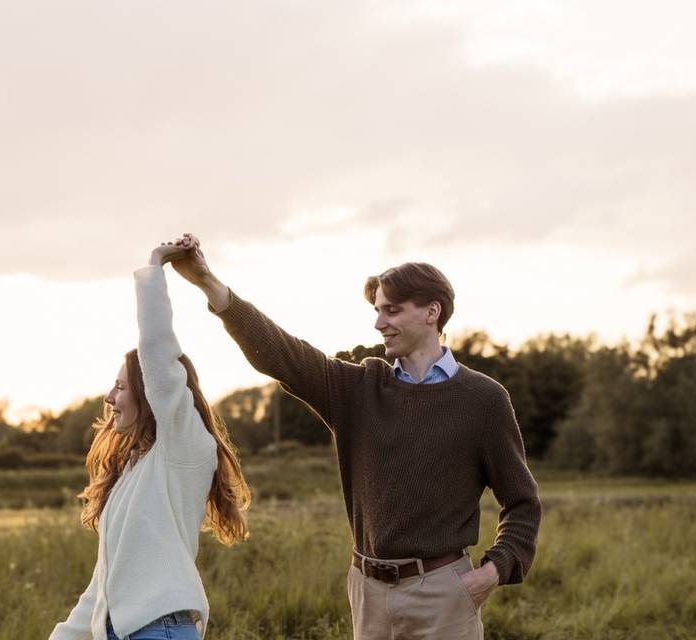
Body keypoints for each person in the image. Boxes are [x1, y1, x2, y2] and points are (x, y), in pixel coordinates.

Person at [169, 233, 541, 640]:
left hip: (444, 592)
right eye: (378, 310)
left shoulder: (483, 399)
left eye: (391, 311)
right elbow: (281, 352)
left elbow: (522, 502)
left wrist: (493, 570)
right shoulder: (358, 388)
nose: (379, 323)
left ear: (432, 311)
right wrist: (208, 282)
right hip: (368, 591)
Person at [49, 242, 251, 640]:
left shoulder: (184, 450)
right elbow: (105, 586)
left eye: (121, 387)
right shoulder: (131, 471)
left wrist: (154, 268)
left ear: (149, 393)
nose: (109, 398)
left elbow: (157, 351)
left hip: (160, 631)